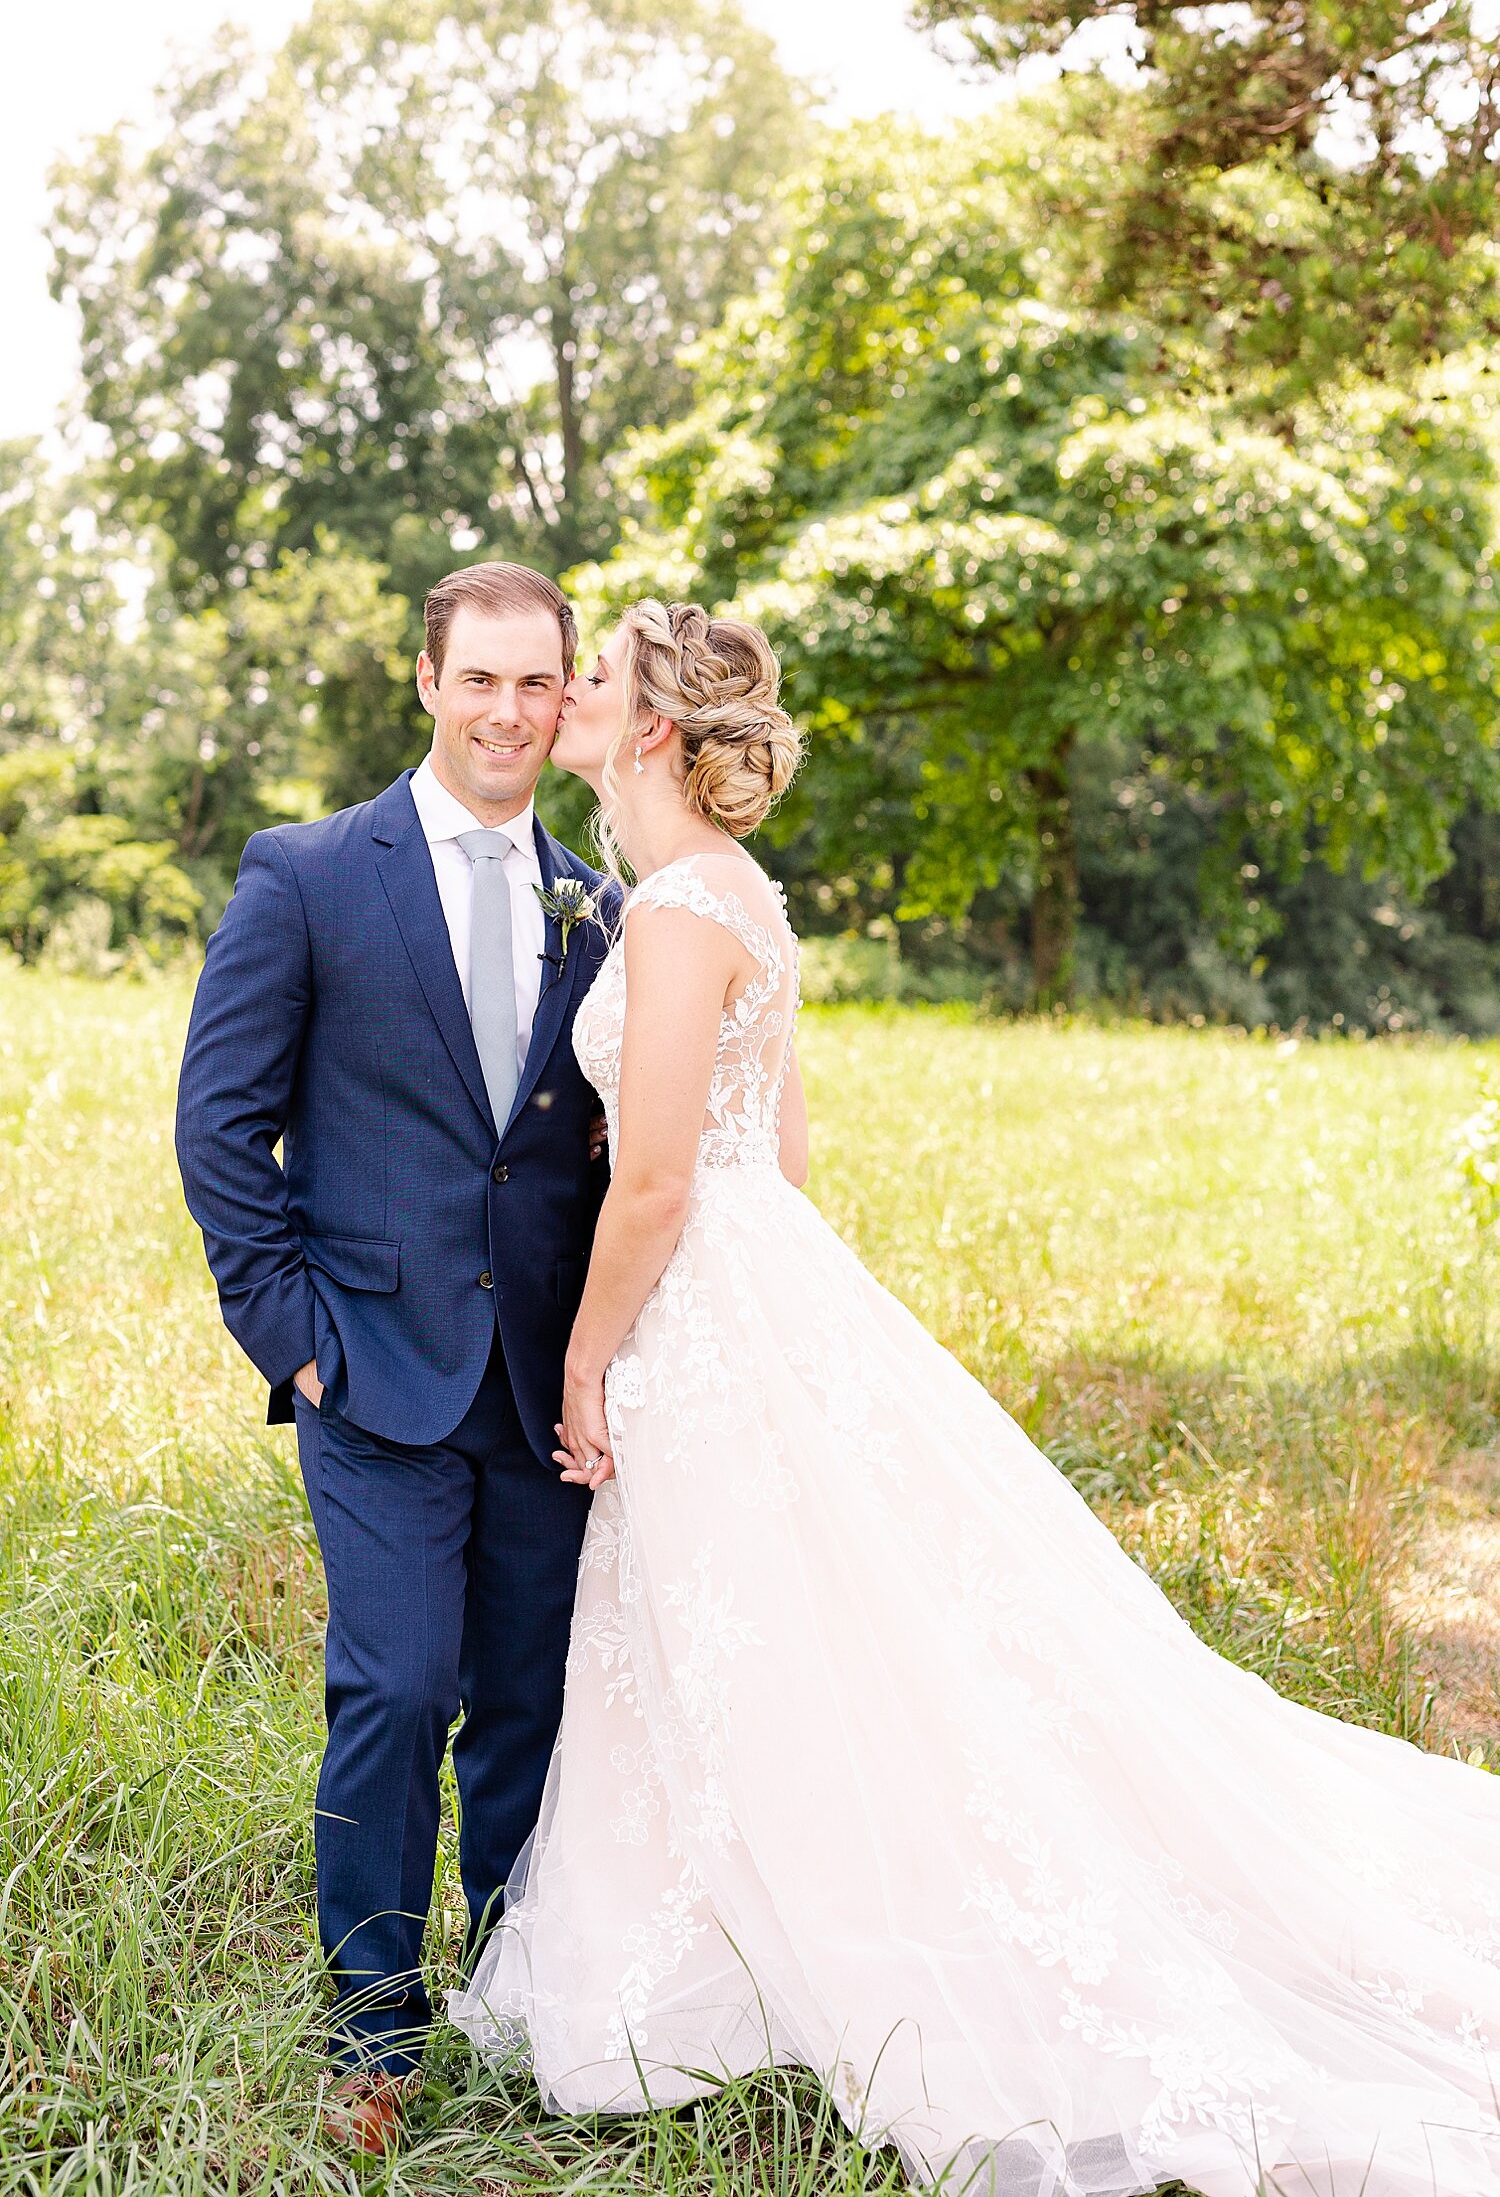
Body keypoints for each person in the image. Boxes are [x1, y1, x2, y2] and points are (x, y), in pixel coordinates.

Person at [452, 597, 1500, 2197]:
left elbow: (658, 1180)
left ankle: (773, 1949)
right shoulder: (744, 898)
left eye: (587, 679)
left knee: (745, 1624)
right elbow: (780, 1159)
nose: (561, 698)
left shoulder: (670, 913)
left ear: (652, 726)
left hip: (698, 1297)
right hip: (771, 1288)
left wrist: (591, 1352)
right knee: (810, 1626)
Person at [175, 561, 619, 2156]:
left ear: (570, 697)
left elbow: (610, 1161)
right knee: (396, 1683)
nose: (508, 711)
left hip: (544, 1386)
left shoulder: (607, 905)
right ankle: (375, 2029)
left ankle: (510, 1995)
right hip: (367, 1372)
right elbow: (220, 1127)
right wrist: (294, 1344)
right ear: (424, 680)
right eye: (479, 678)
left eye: (537, 684)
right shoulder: (306, 874)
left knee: (528, 1699)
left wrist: (611, 1361)